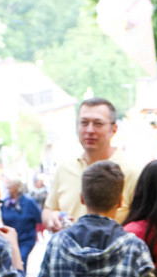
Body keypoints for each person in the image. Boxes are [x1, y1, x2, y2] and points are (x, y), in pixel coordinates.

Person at [42, 98, 138, 230]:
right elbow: (49, 209)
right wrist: (52, 217)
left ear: (114, 129)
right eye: (84, 123)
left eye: (98, 124)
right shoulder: (65, 168)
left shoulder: (132, 172)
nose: (90, 130)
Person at [0, 176, 42, 271]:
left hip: (26, 240)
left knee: (20, 261)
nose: (8, 188)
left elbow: (39, 218)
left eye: (10, 186)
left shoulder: (29, 202)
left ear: (17, 188)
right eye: (8, 186)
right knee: (9, 263)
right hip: (10, 240)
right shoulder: (6, 202)